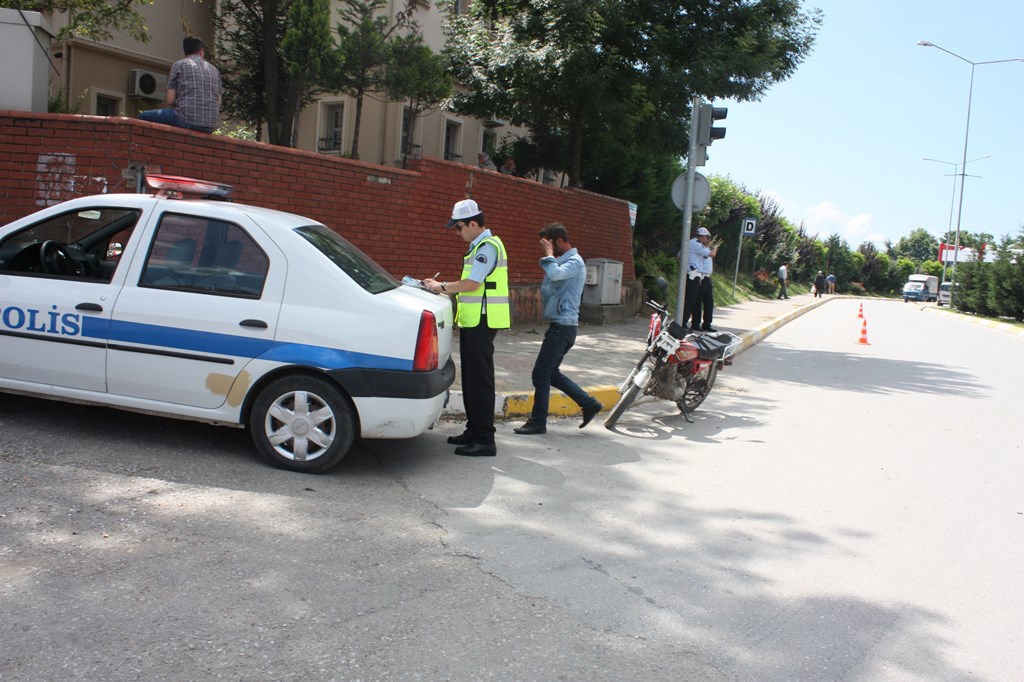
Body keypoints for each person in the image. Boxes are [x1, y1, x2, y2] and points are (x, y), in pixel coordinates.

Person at [423, 199, 509, 457]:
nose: (457, 233)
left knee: (480, 380)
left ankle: (485, 439)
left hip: (483, 321)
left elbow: (472, 283)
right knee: (472, 378)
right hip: (475, 321)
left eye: (459, 228)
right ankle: (474, 429)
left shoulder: (487, 247)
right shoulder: (478, 246)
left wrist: (442, 287)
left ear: (473, 223)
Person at [513, 223, 603, 436]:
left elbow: (555, 274)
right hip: (560, 326)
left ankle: (538, 422)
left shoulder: (574, 262)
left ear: (559, 241)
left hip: (563, 327)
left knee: (541, 374)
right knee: (550, 374)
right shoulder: (564, 260)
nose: (545, 249)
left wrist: (548, 254)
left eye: (548, 244)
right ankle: (589, 404)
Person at [139, 36, 221, 133]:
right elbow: (218, 102)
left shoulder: (179, 65)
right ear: (201, 51)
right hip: (210, 124)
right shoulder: (215, 70)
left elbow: (170, 100)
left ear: (185, 52)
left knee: (144, 116)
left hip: (185, 119)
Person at [682, 227, 716, 330]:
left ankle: (689, 324)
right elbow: (712, 254)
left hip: (699, 276)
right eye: (707, 237)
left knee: (700, 301)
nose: (708, 239)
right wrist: (716, 247)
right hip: (693, 274)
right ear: (703, 236)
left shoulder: (699, 246)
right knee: (691, 301)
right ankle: (685, 324)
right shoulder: (695, 244)